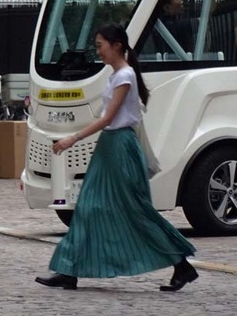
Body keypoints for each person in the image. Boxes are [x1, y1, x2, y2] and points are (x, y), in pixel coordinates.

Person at [35, 23, 197, 292]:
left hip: (120, 147)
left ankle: (181, 264)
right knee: (87, 206)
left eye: (100, 45)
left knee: (135, 210)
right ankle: (68, 269)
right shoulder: (116, 76)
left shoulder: (125, 76)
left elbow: (108, 118)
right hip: (109, 146)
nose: (98, 51)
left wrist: (72, 139)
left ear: (117, 45)